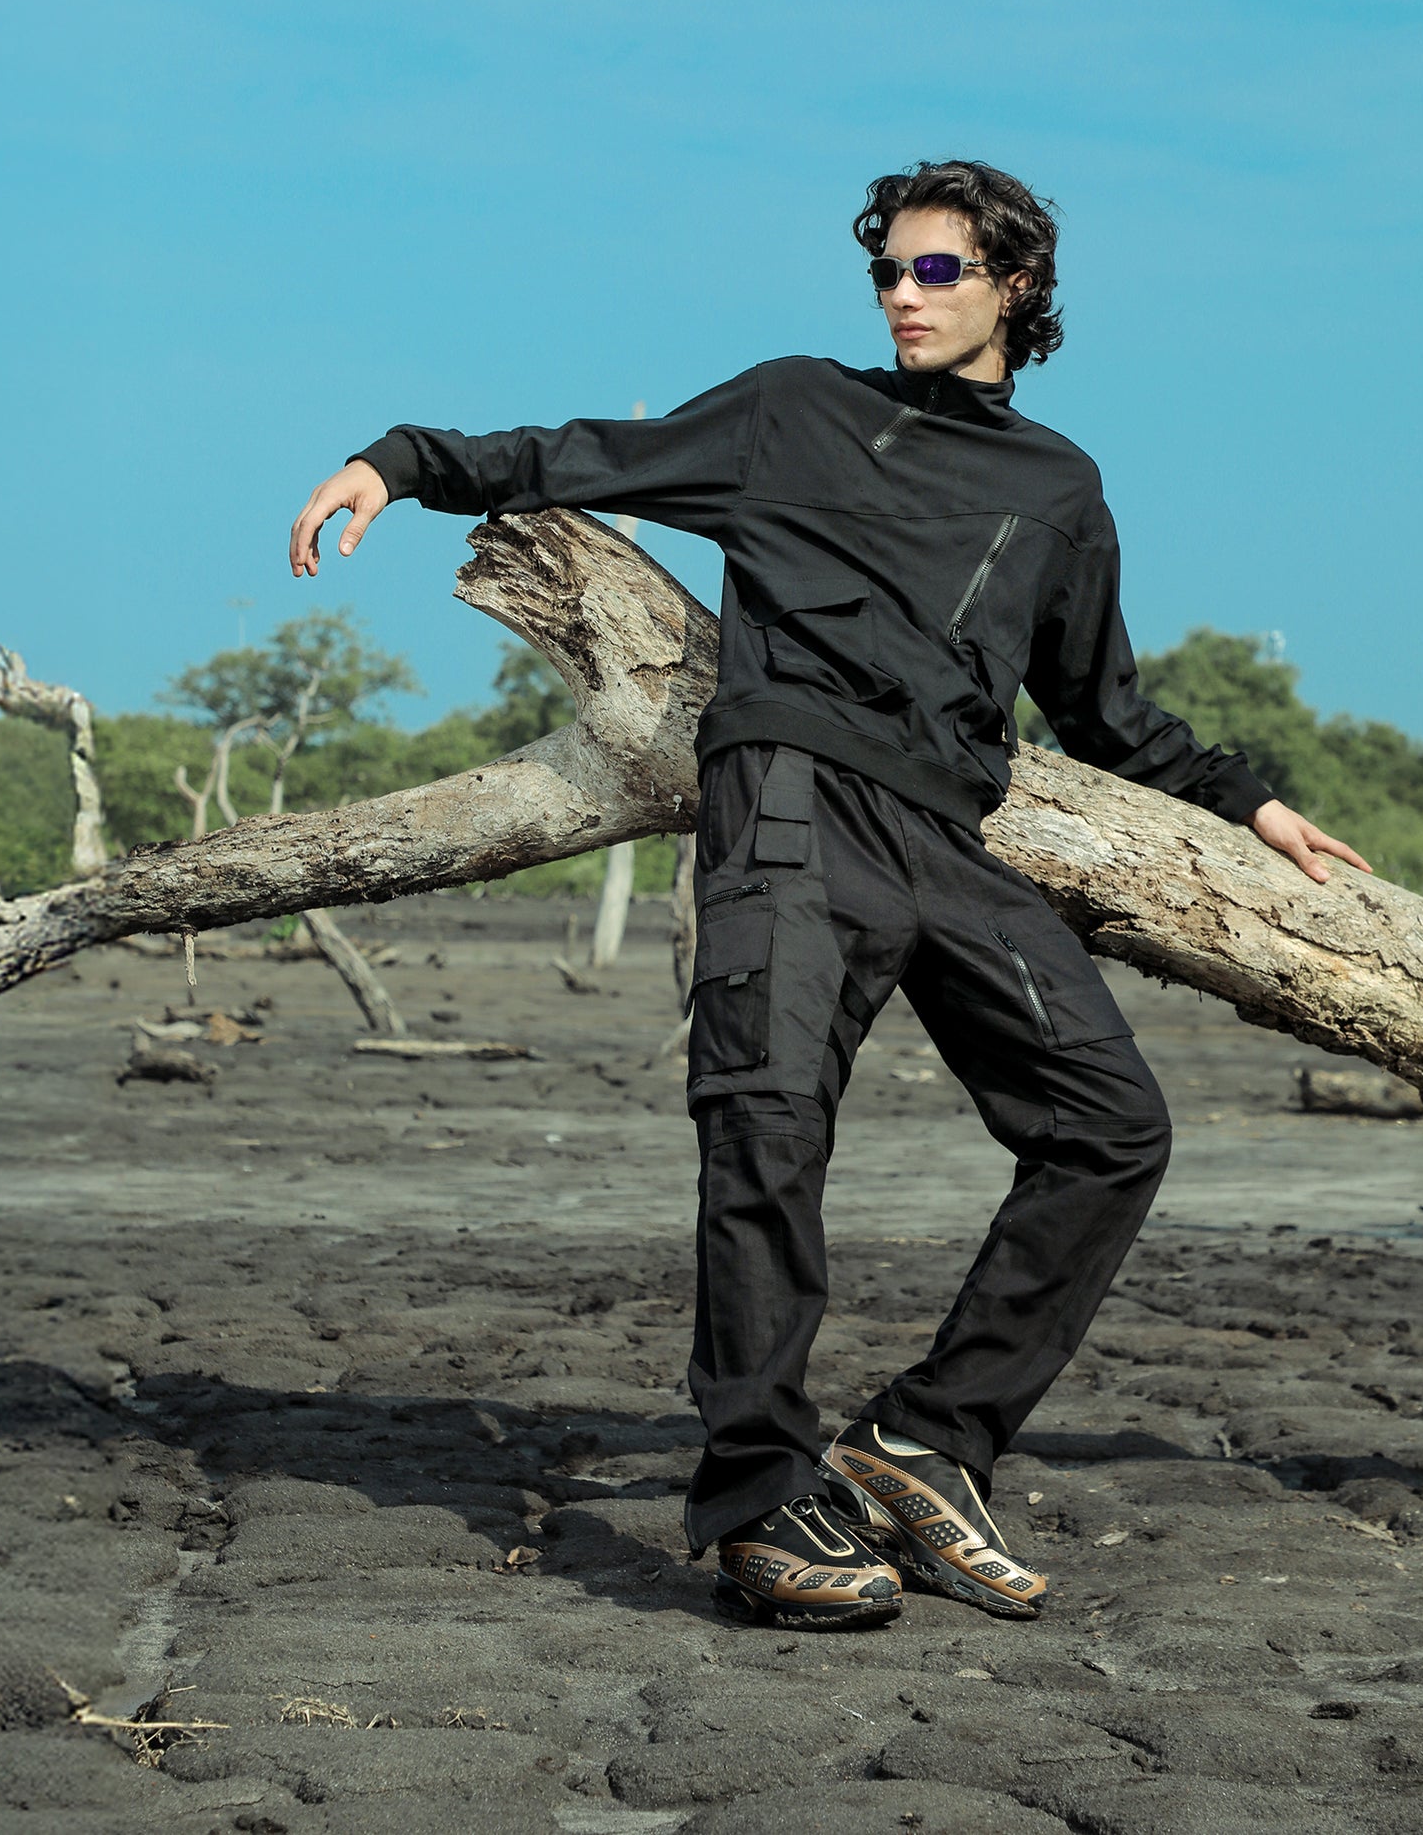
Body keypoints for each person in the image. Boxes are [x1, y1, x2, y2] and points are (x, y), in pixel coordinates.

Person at [287, 160, 1367, 1632]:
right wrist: (403, 461)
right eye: (888, 272)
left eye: (937, 270)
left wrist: (1249, 802)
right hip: (791, 805)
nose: (903, 296)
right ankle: (757, 1498)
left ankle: (927, 1440)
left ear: (1017, 287)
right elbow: (590, 454)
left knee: (1111, 1124)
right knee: (768, 1129)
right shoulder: (796, 409)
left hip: (948, 842)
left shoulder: (1059, 491)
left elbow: (1101, 707)